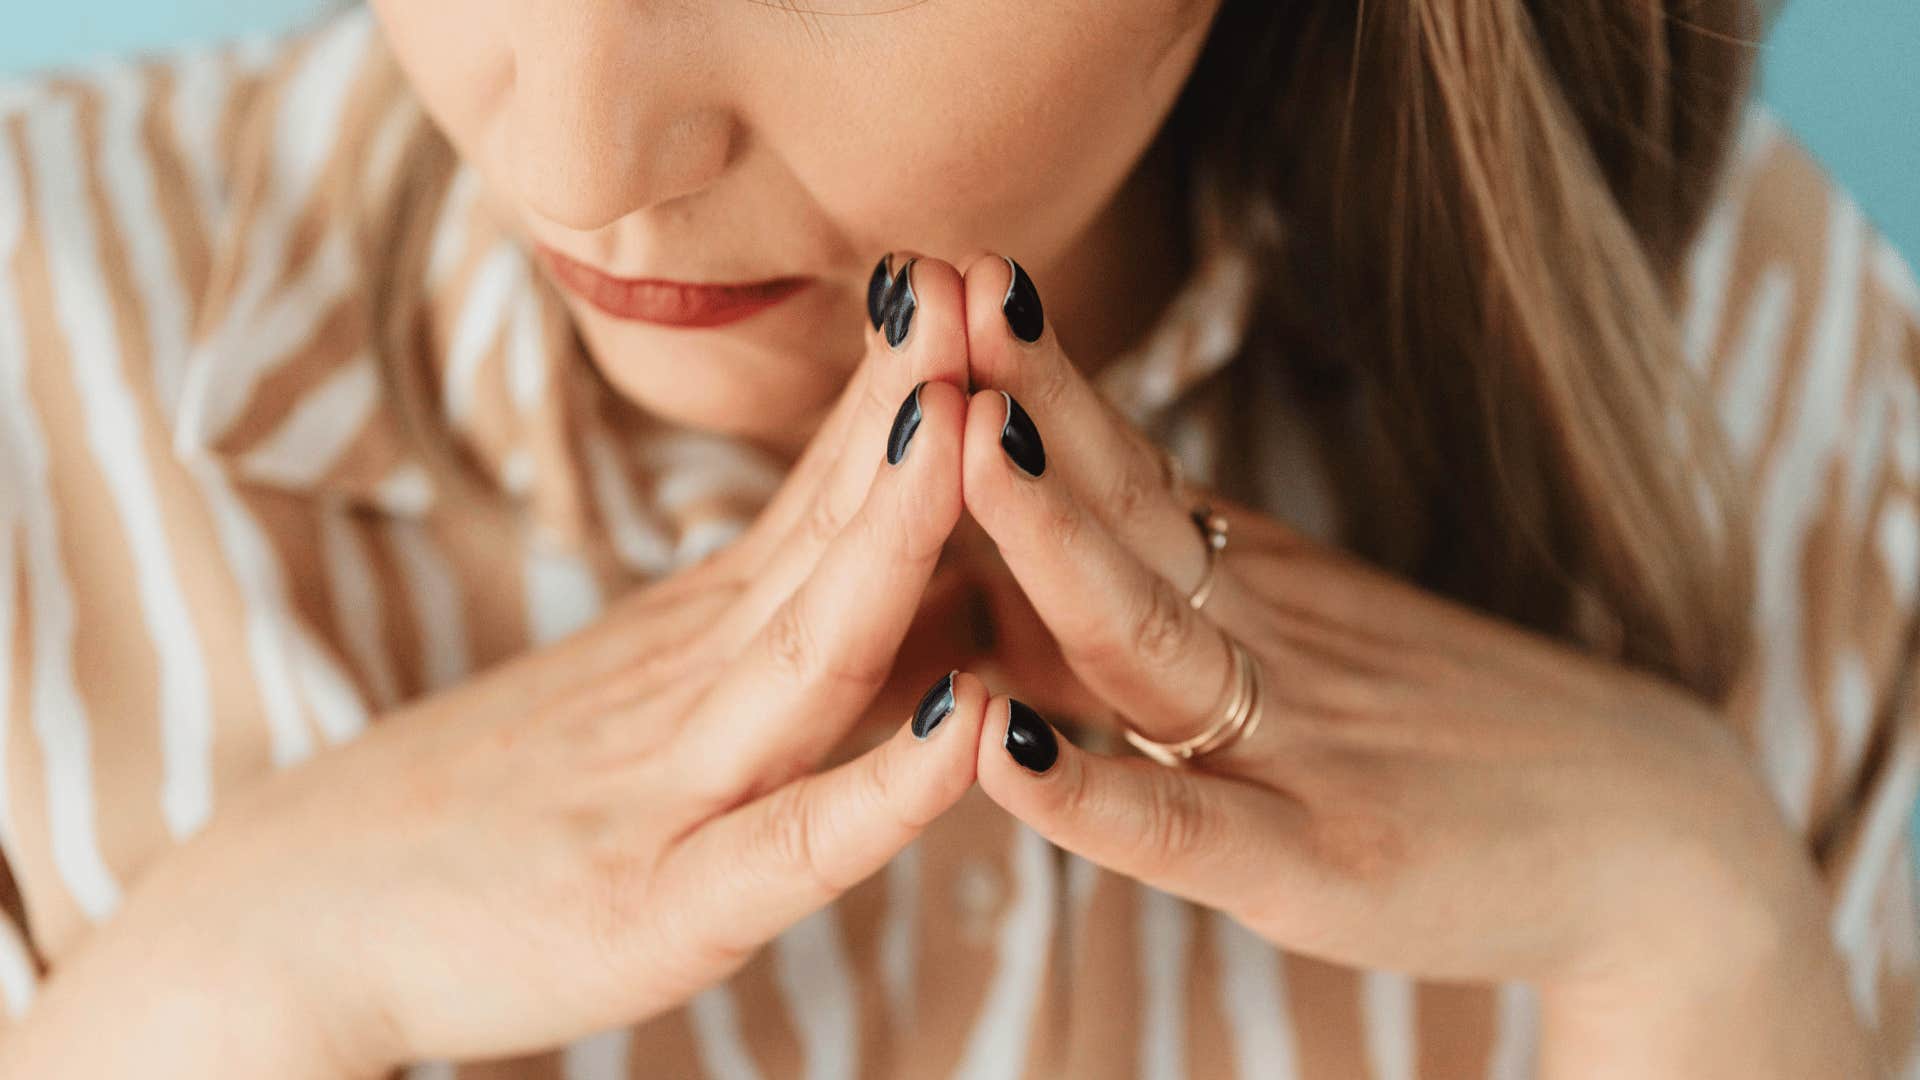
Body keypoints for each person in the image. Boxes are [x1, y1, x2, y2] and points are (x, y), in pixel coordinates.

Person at [0, 0, 1913, 1075]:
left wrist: (1710, 955)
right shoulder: (38, 358)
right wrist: (211, 1004)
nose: (578, 158)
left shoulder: (1778, 389)